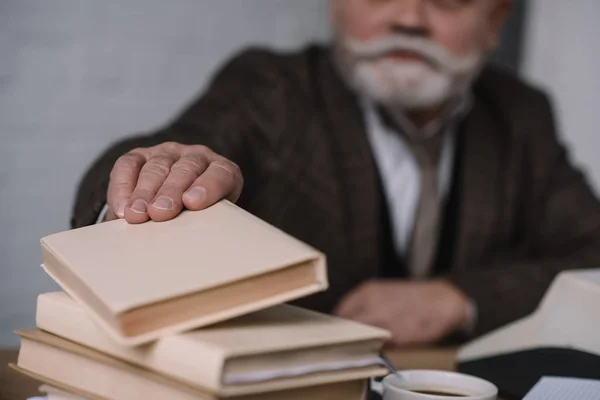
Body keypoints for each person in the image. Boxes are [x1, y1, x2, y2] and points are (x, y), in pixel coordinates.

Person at [71, 0, 600, 346]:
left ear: (496, 23)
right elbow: (177, 147)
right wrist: (150, 175)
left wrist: (460, 298)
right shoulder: (269, 89)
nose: (409, 18)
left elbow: (592, 252)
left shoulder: (521, 115)